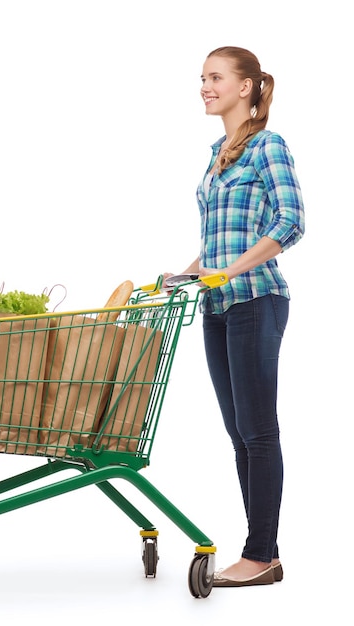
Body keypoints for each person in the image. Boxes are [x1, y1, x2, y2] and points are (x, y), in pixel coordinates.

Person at [165, 46, 305, 587]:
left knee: (258, 431)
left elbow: (290, 222)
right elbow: (218, 243)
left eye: (215, 77)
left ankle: (261, 553)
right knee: (238, 434)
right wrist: (187, 273)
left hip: (257, 300)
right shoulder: (217, 153)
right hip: (218, 305)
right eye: (202, 78)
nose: (205, 86)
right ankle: (259, 550)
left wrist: (233, 271)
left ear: (246, 87)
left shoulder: (269, 146)